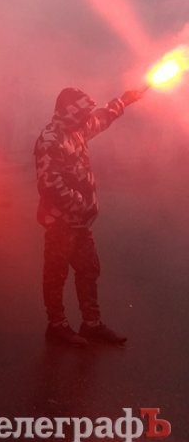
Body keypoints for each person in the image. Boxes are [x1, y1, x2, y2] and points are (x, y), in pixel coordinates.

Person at [34, 86, 144, 347]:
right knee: (56, 275)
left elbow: (102, 118)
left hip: (80, 224)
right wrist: (80, 203)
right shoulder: (51, 139)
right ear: (68, 112)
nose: (88, 118)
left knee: (88, 270)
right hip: (60, 223)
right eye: (82, 113)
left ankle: (91, 324)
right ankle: (57, 326)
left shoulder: (77, 129)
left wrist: (125, 100)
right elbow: (49, 184)